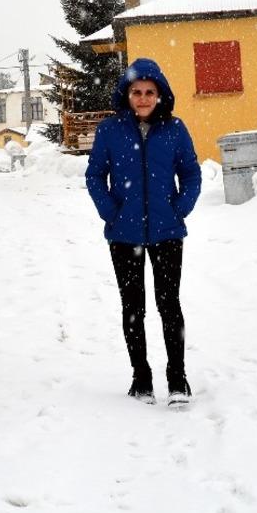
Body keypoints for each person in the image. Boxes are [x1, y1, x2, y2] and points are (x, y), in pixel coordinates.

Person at [85, 58, 202, 406]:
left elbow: (191, 173)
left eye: (150, 92)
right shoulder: (110, 130)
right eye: (137, 92)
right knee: (133, 307)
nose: (143, 98)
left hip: (167, 232)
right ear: (127, 94)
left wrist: (179, 208)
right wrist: (111, 212)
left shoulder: (175, 129)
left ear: (160, 95)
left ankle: (177, 379)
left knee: (169, 305)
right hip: (124, 235)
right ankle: (141, 379)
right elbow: (95, 175)